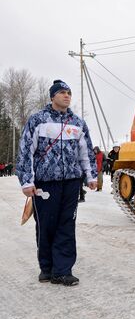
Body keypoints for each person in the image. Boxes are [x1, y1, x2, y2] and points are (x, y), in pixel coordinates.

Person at [16, 79, 97, 286]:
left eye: (69, 92)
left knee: (66, 225)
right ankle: (47, 267)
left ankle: (62, 270)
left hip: (71, 182)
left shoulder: (78, 123)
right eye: (62, 92)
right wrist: (26, 180)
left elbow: (86, 152)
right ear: (52, 96)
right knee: (46, 225)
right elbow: (26, 152)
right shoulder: (38, 120)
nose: (66, 95)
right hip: (45, 183)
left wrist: (90, 176)